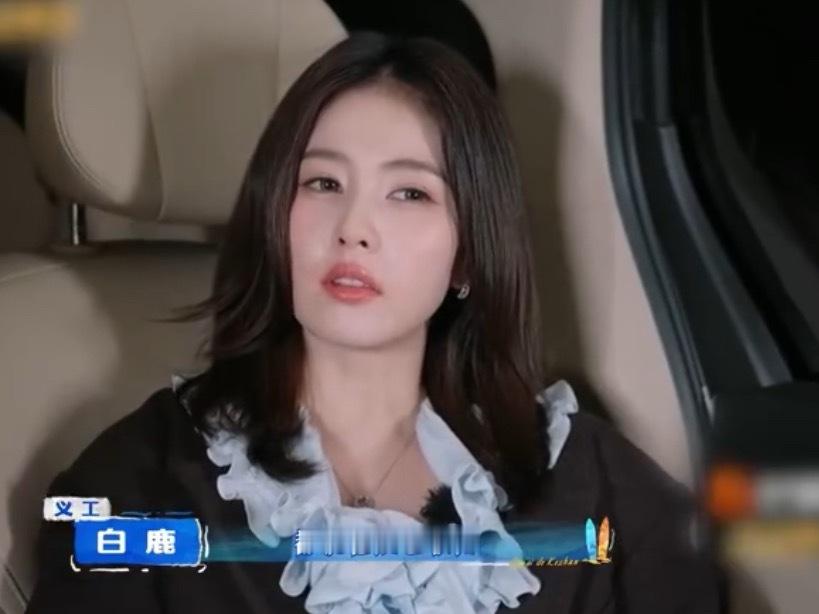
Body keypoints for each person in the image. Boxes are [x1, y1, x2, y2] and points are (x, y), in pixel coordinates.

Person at [26, 31, 722, 613]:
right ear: (275, 218)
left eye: (410, 193)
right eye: (323, 183)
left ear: (468, 255)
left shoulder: (585, 478)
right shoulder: (138, 486)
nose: (354, 226)